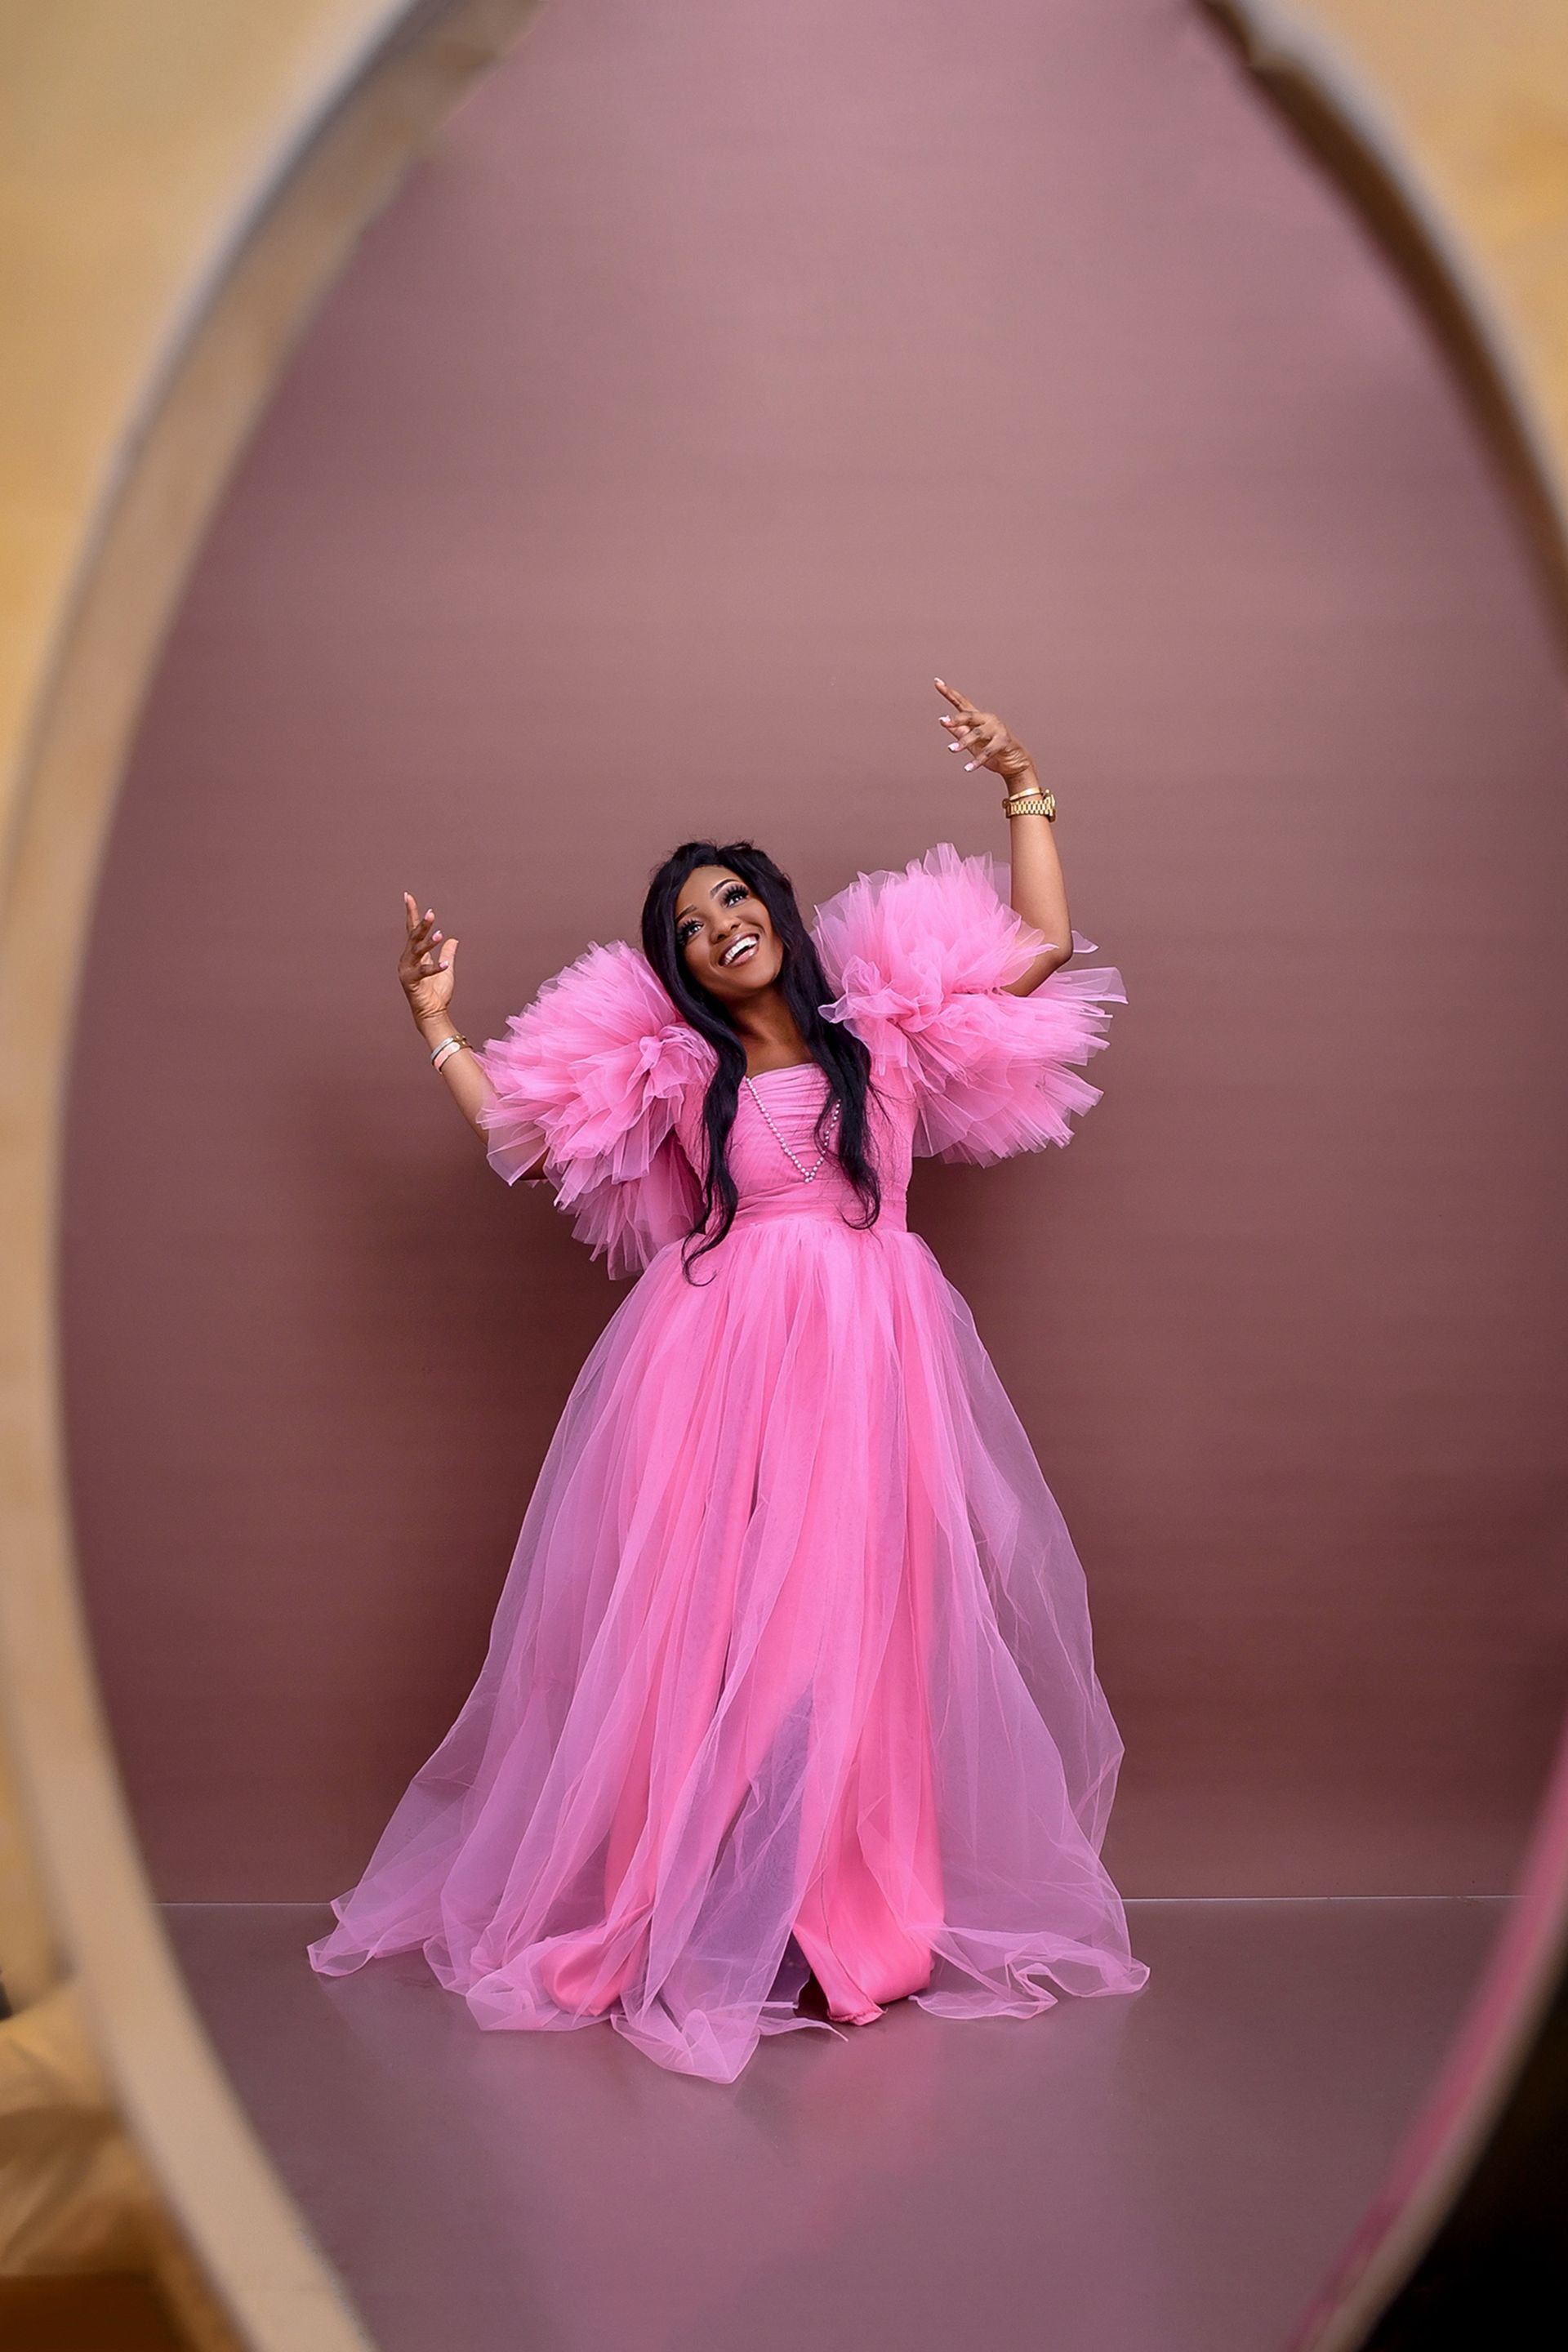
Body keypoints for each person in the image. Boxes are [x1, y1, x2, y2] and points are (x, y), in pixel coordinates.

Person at [307, 679, 1150, 2082]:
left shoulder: (879, 1030)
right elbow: (522, 1133)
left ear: (776, 910)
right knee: (712, 1629)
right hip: (717, 1360)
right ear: (684, 968)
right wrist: (437, 1024)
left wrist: (1023, 788)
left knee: (857, 1622)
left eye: (729, 903)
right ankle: (700, 1899)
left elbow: (1049, 946)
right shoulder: (679, 1074)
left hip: (874, 1344)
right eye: (689, 930)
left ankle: (832, 1910)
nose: (715, 931)